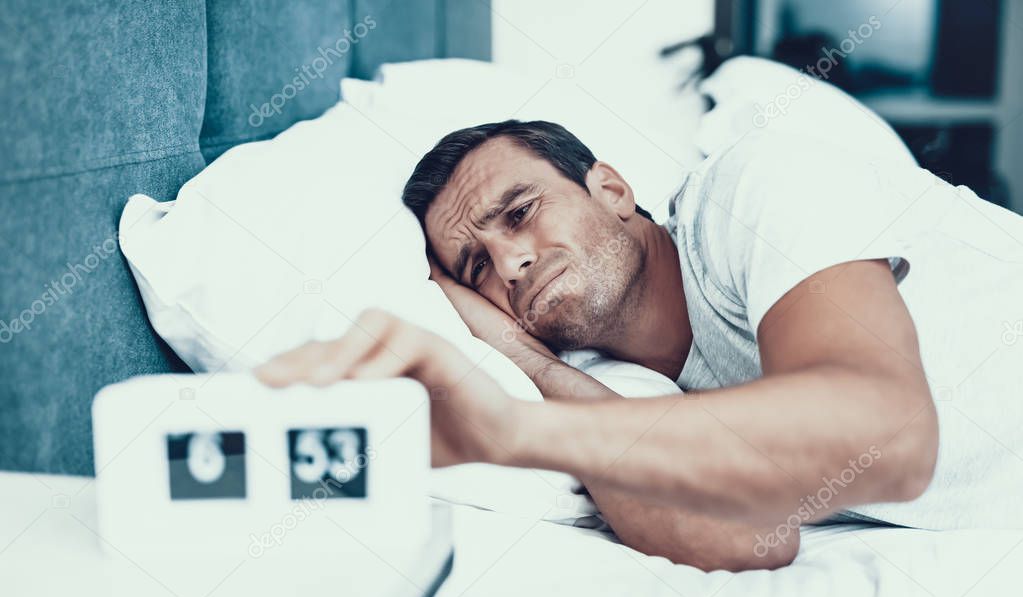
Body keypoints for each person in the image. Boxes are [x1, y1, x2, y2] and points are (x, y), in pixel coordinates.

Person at [257, 120, 1023, 571]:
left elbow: (887, 432)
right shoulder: (617, 388)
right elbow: (749, 539)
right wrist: (530, 366)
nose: (510, 262)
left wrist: (516, 429)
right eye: (476, 268)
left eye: (519, 213)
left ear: (612, 191)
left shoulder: (755, 184)